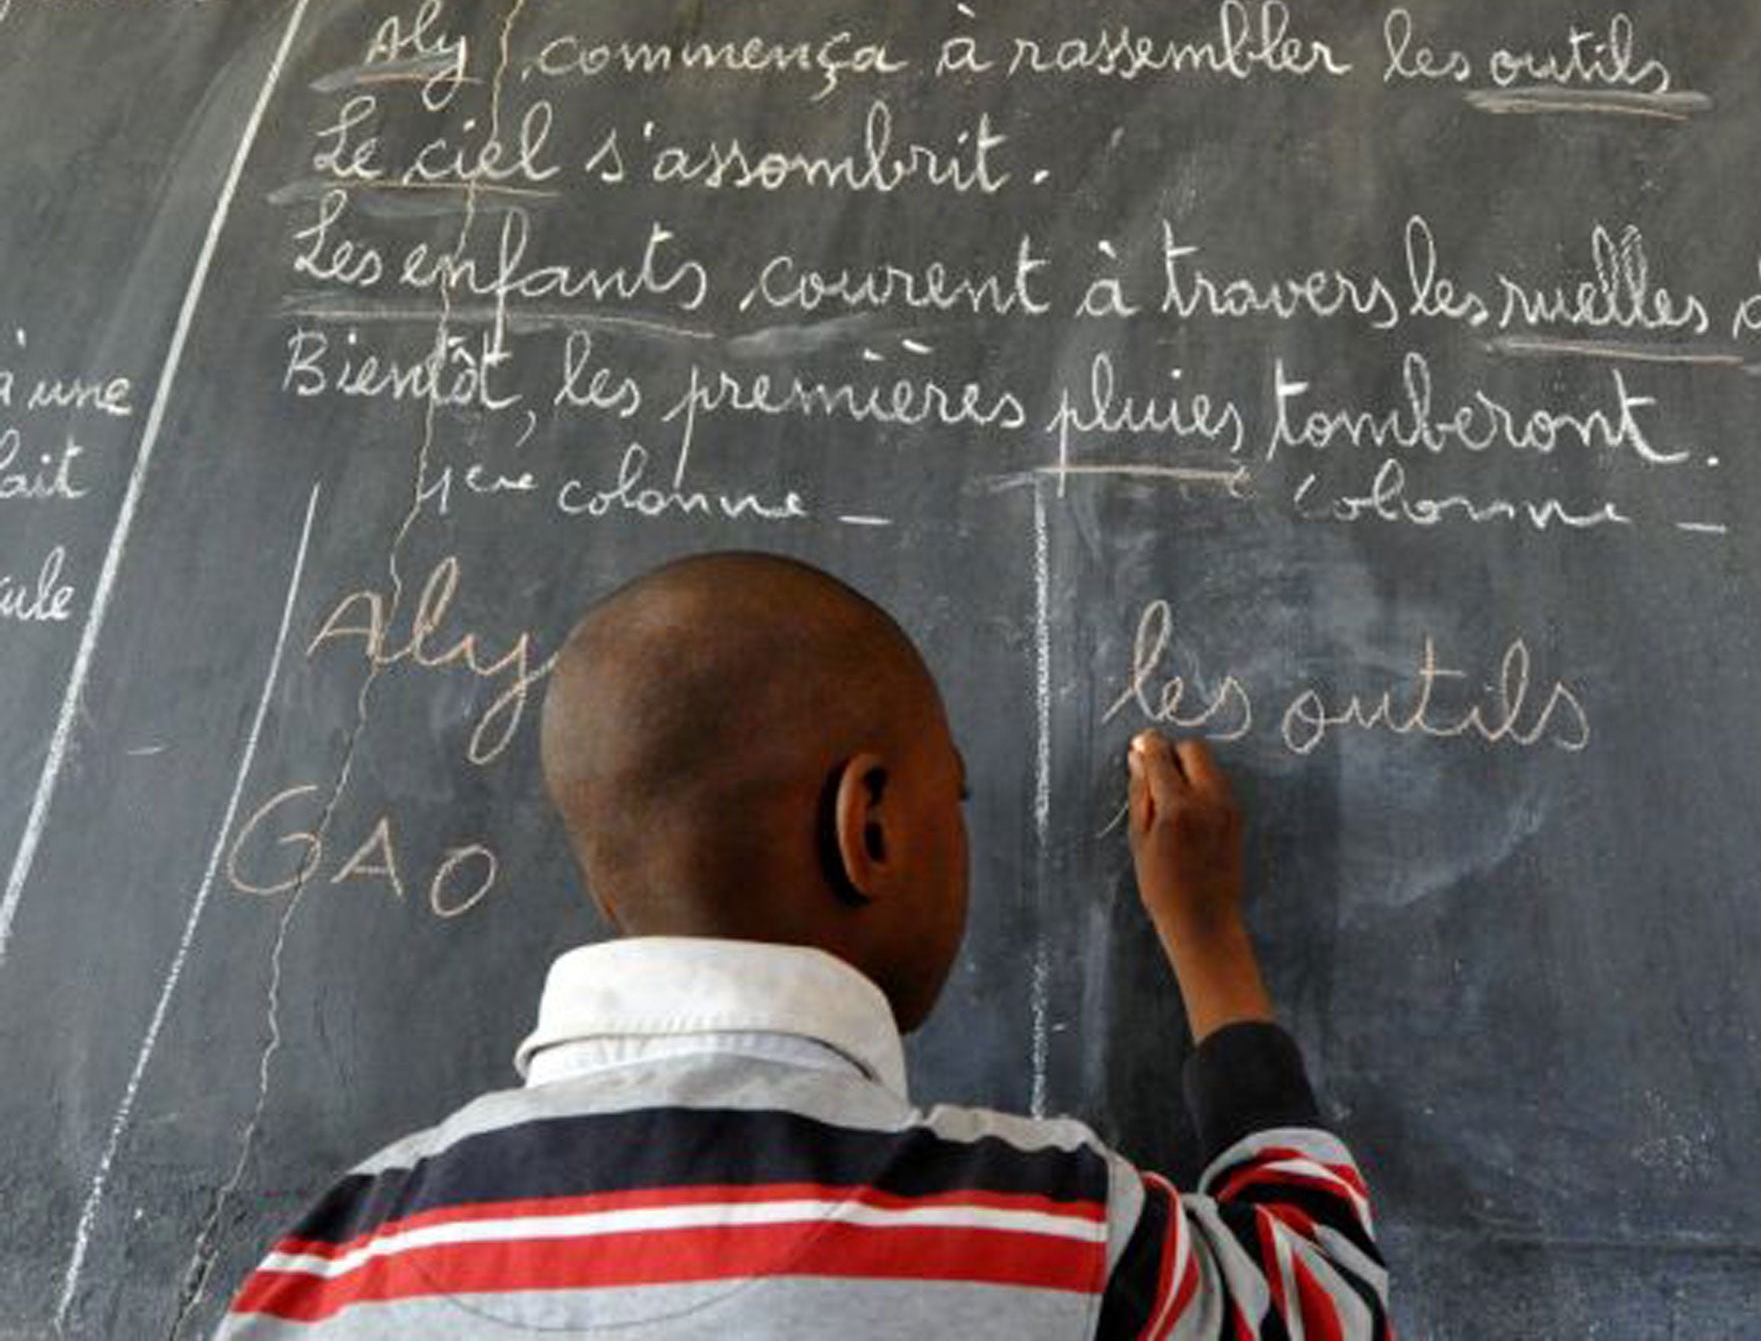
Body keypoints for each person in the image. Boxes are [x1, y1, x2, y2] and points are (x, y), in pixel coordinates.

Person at [216, 552, 1392, 1337]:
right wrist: (1206, 936)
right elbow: (1327, 1303)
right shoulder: (1040, 1235)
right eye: (957, 800)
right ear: (868, 827)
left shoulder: (333, 1263)